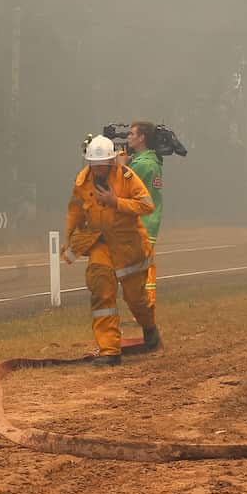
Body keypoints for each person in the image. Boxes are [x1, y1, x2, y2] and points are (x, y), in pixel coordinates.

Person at [63, 134, 161, 366]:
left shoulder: (127, 177)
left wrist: (117, 202)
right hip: (101, 244)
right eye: (93, 165)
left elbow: (147, 205)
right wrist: (70, 236)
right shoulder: (82, 182)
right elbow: (75, 210)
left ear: (111, 161)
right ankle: (109, 351)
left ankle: (150, 329)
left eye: (102, 165)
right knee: (101, 291)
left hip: (129, 248)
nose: (97, 169)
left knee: (136, 299)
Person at [126, 121, 164, 307]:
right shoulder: (152, 161)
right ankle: (144, 307)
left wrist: (119, 166)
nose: (128, 137)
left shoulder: (142, 165)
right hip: (149, 223)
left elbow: (121, 187)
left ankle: (144, 308)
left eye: (132, 134)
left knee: (139, 271)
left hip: (140, 224)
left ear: (142, 138)